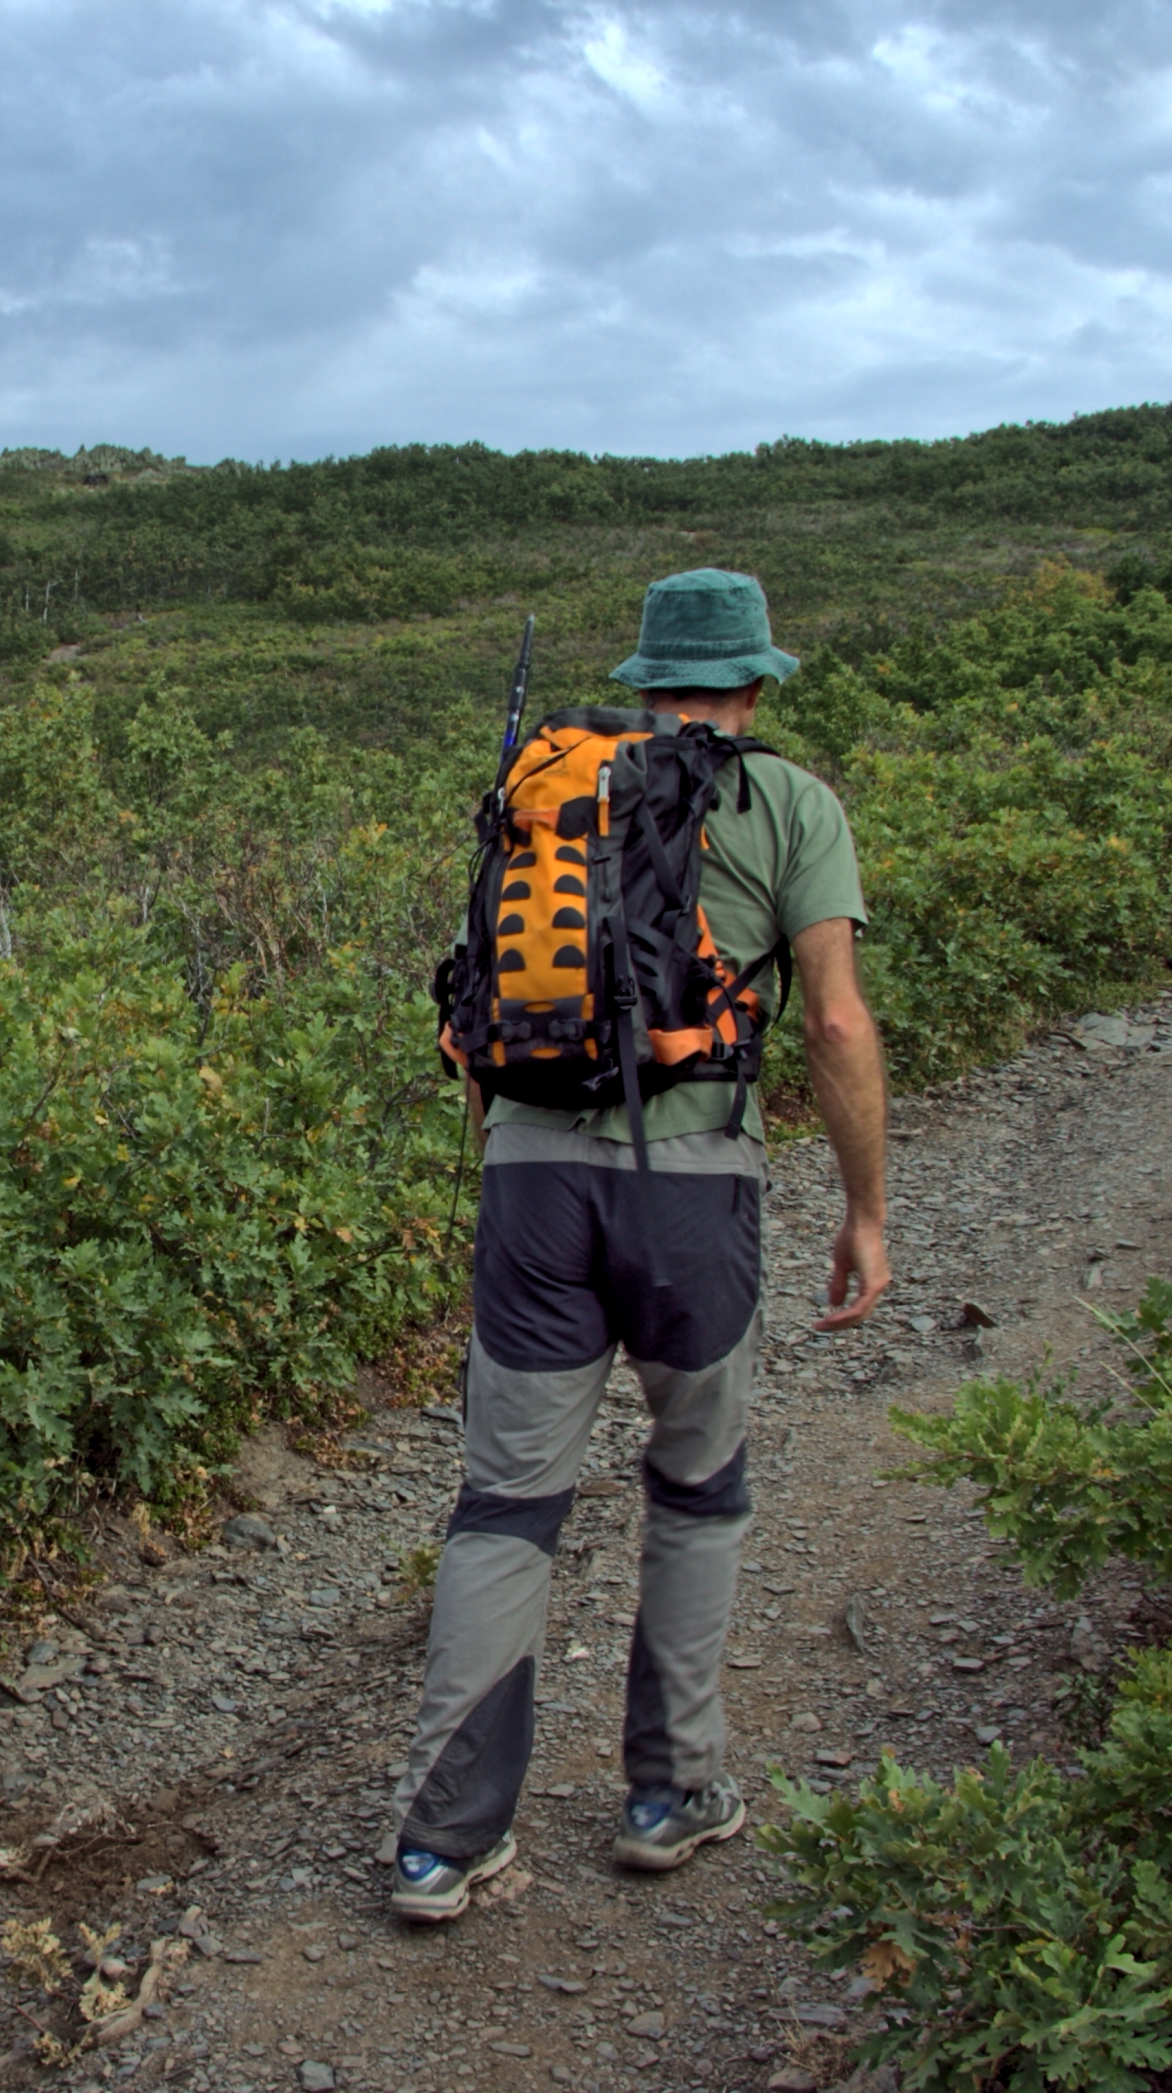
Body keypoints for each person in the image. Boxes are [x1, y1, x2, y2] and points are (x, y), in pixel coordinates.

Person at [387, 567, 892, 1922]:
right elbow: (838, 1025)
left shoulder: (544, 786)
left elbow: (486, 1009)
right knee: (697, 1482)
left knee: (506, 1504)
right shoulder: (790, 802)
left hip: (532, 1182)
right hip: (697, 1187)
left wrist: (517, 1163)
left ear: (651, 668)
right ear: (757, 679)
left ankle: (443, 1839)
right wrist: (866, 1209)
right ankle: (671, 1793)